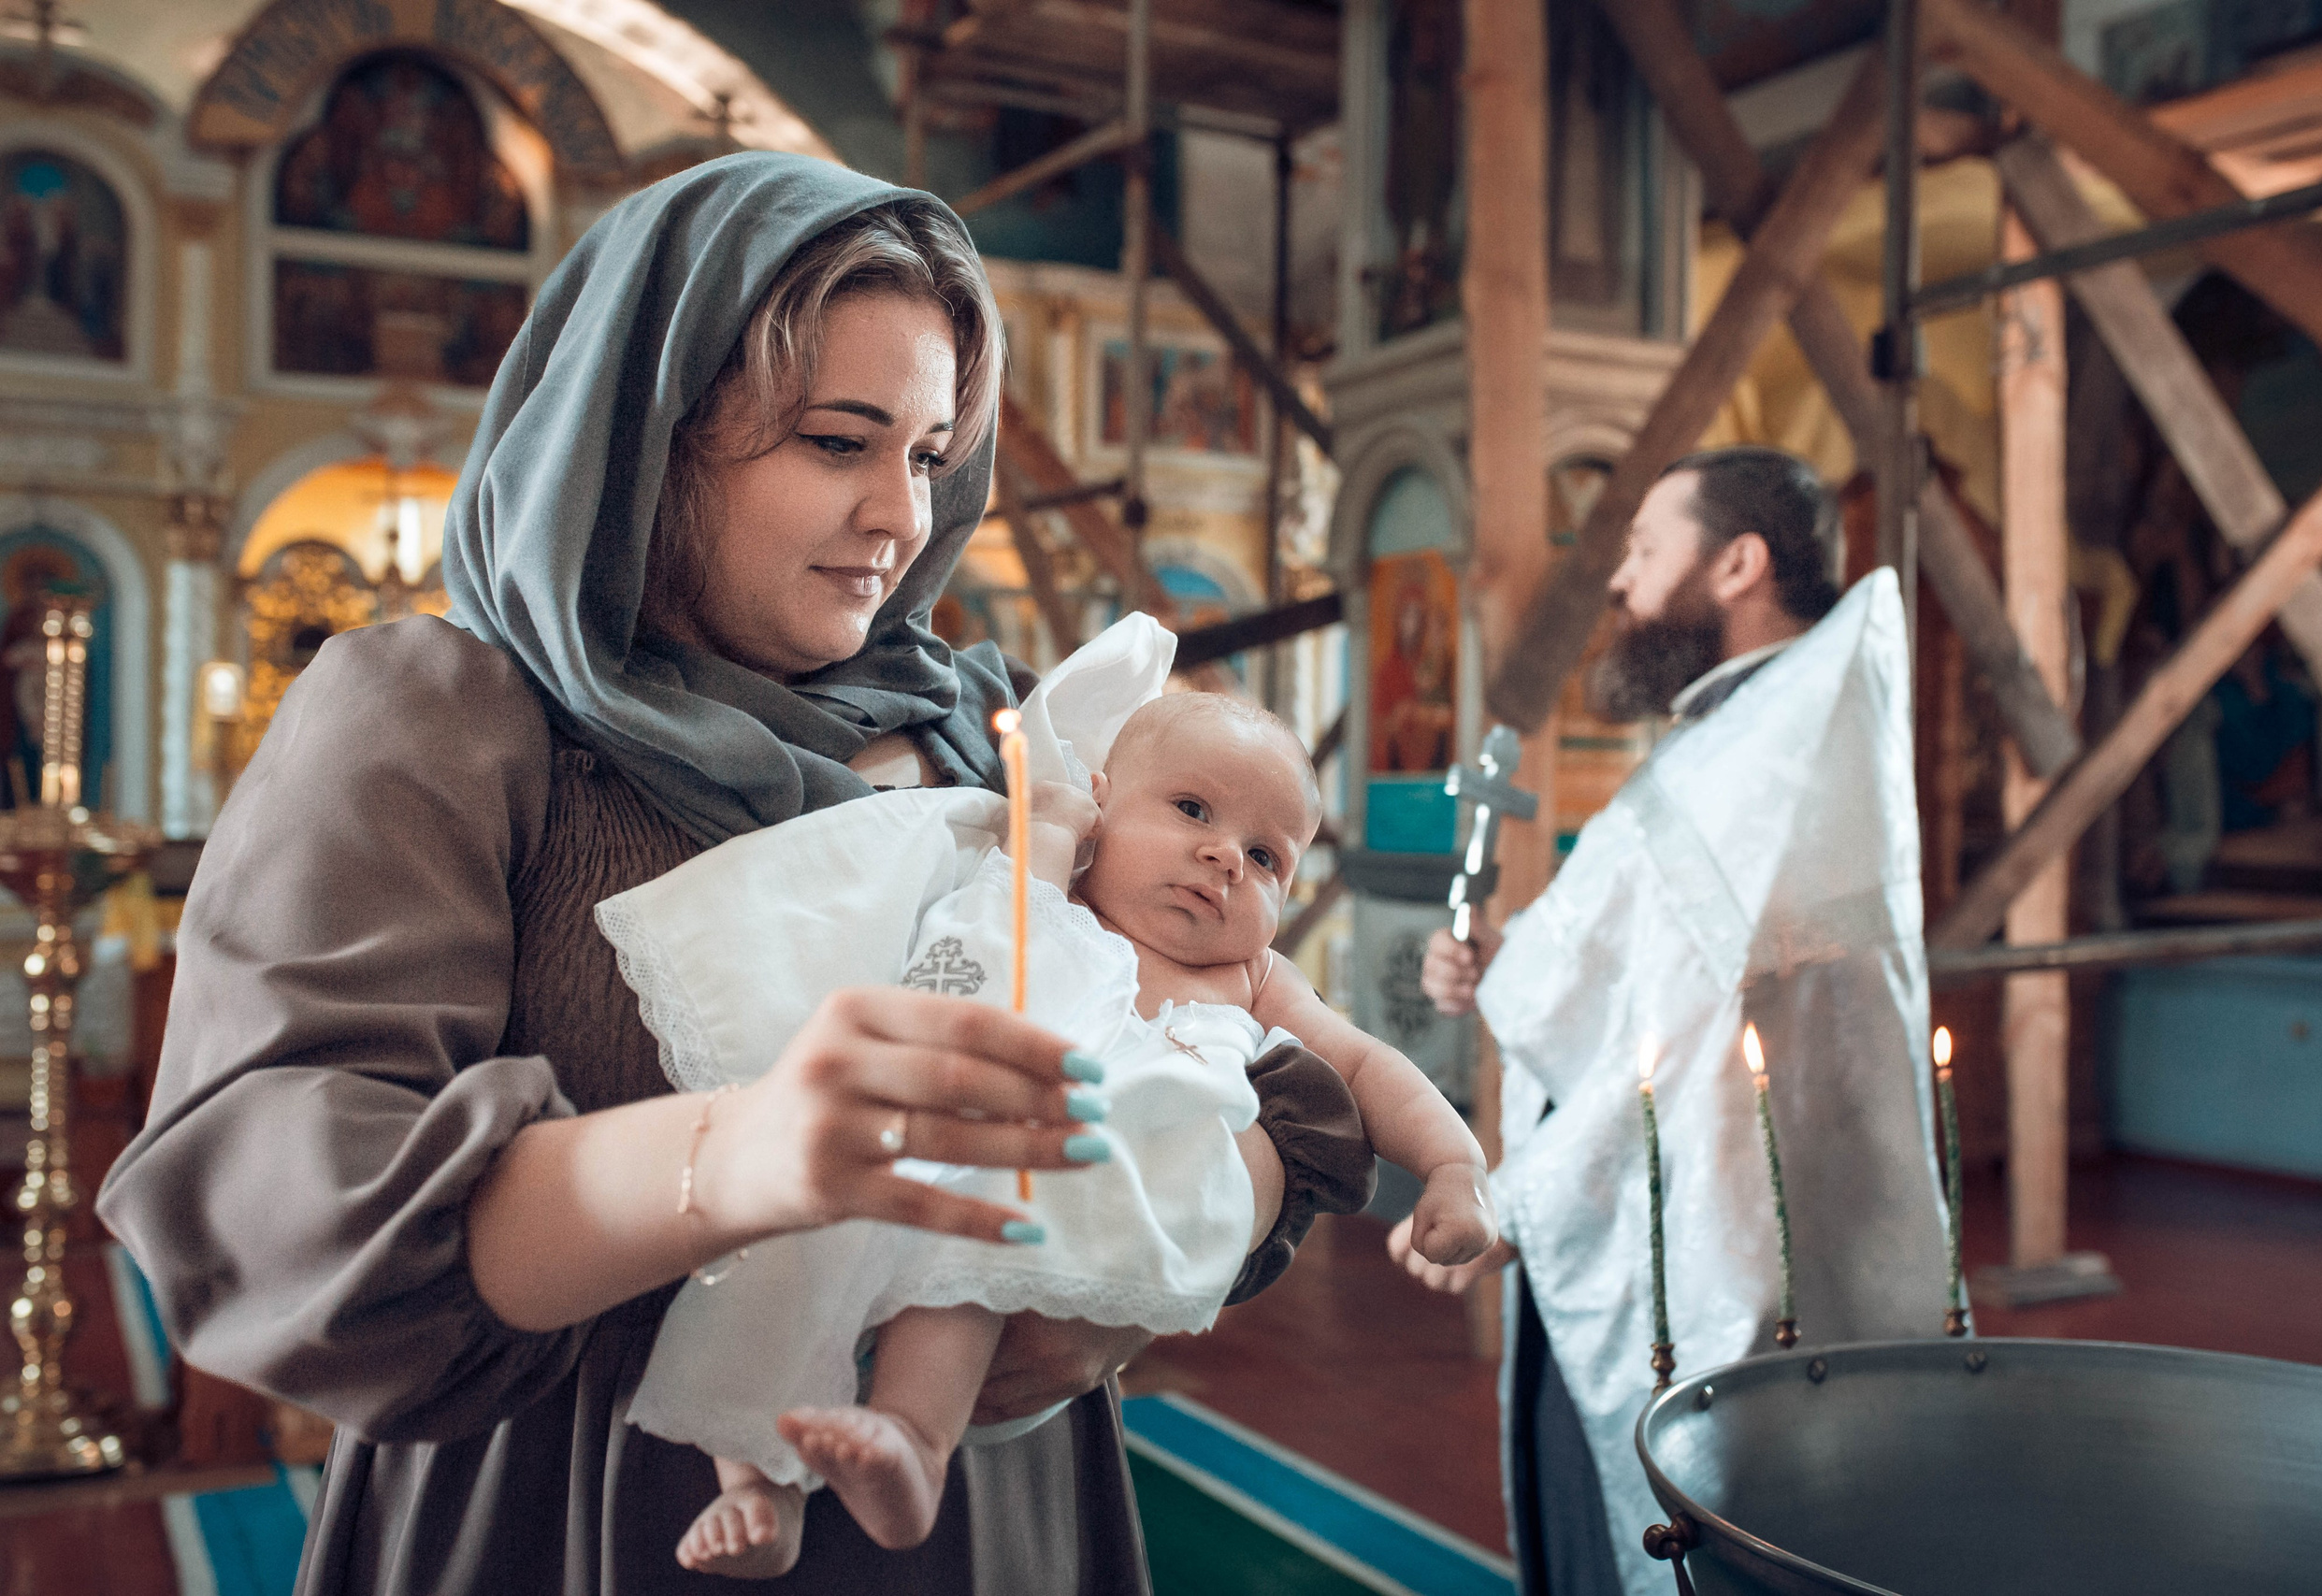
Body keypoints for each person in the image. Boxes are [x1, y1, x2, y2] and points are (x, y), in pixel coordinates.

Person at [97, 152, 1373, 1596]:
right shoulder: (448, 717)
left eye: (931, 453)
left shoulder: (999, 730)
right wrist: (729, 1154)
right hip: (594, 1509)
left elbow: (1262, 1050)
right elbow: (271, 1205)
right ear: (643, 429)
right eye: (839, 441)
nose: (900, 514)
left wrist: (1131, 1275)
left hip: (991, 1516)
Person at [600, 632, 1498, 1576]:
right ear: (1101, 801)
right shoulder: (1045, 893)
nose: (1222, 856)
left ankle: (911, 1440)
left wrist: (1452, 1166)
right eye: (1191, 808)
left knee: (974, 1264)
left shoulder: (1252, 977)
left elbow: (1367, 1068)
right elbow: (967, 956)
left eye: (1266, 856)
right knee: (781, 1253)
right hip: (942, 1136)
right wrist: (1047, 845)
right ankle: (756, 1490)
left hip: (1064, 1191)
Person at [1402, 447, 1952, 1596]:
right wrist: (1507, 969)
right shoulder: (1770, 736)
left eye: (1647, 549)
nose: (1620, 582)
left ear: (1737, 562)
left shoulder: (1758, 760)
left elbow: (1695, 1039)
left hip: (1702, 1253)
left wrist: (1510, 1201)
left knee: (1666, 1536)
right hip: (1734, 1222)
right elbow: (1668, 979)